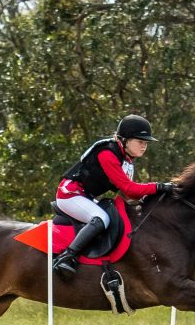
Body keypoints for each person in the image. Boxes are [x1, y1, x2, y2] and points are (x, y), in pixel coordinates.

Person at [52, 114, 174, 277]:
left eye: (145, 143)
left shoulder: (127, 160)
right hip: (70, 193)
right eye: (140, 141)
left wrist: (151, 199)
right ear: (124, 140)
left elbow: (128, 196)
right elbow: (129, 189)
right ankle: (67, 257)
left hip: (85, 196)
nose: (144, 146)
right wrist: (158, 187)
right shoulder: (107, 154)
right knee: (101, 218)